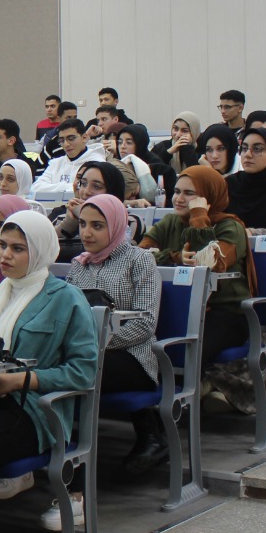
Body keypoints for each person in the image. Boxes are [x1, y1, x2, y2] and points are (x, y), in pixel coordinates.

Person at [0, 211, 99, 527]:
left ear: (39, 251)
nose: (5, 255)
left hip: (33, 409)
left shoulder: (67, 300)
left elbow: (84, 371)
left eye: (18, 248)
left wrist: (20, 381)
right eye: (3, 245)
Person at [64, 193, 165, 474]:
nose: (86, 232)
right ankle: (63, 446)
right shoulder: (79, 264)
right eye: (83, 224)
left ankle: (74, 459)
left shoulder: (139, 260)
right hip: (88, 353)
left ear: (117, 225)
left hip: (134, 356)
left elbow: (146, 322)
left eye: (97, 225)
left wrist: (97, 344)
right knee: (62, 366)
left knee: (76, 369)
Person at [139, 166, 252, 370]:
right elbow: (140, 256)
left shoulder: (231, 227)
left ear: (209, 197)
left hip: (224, 313)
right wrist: (175, 257)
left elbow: (207, 263)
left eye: (189, 193)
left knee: (186, 351)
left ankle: (194, 388)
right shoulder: (170, 221)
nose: (179, 199)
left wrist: (199, 216)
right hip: (175, 306)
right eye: (176, 191)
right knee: (141, 346)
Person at [31, 119, 106, 196]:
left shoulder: (97, 163)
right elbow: (35, 188)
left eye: (71, 138)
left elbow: (91, 190)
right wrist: (67, 186)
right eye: (61, 140)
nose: (66, 144)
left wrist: (53, 187)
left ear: (84, 138)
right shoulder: (55, 163)